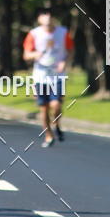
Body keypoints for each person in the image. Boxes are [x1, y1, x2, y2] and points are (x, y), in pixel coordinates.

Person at [23, 9, 74, 148]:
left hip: (57, 76)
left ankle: (57, 124)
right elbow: (26, 55)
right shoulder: (34, 34)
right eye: (44, 15)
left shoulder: (63, 32)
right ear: (39, 19)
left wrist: (65, 61)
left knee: (56, 105)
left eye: (50, 14)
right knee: (44, 109)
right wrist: (35, 55)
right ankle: (48, 135)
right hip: (40, 77)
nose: (48, 17)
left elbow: (70, 50)